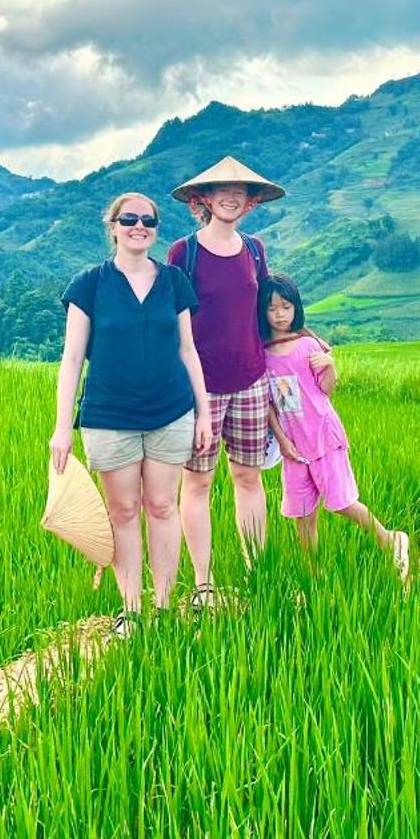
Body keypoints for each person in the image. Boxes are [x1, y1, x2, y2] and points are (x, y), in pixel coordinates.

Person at [51, 191, 215, 636]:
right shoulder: (90, 284)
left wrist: (203, 413)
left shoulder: (175, 281)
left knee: (162, 506)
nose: (139, 226)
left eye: (148, 220)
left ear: (156, 229)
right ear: (113, 226)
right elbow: (71, 359)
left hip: (171, 411)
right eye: (129, 219)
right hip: (108, 416)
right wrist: (62, 427)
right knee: (123, 512)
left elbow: (188, 349)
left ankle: (162, 606)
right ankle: (132, 609)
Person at [167, 156, 283, 605]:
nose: (231, 197)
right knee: (197, 481)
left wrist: (302, 338)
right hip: (203, 387)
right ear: (204, 199)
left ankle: (257, 574)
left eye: (240, 191)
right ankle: (203, 584)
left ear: (250, 201)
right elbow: (172, 318)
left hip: (252, 380)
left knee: (249, 478)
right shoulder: (185, 252)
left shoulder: (254, 249)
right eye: (222, 191)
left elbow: (269, 308)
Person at [259, 271, 410, 578]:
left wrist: (330, 366)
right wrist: (282, 441)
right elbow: (269, 404)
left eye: (285, 307)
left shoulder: (307, 346)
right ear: (262, 311)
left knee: (342, 502)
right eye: (272, 308)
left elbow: (326, 389)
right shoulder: (262, 355)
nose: (279, 314)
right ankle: (314, 575)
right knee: (302, 515)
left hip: (323, 438)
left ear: (296, 307)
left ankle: (389, 539)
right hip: (294, 445)